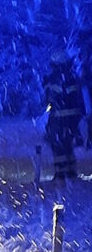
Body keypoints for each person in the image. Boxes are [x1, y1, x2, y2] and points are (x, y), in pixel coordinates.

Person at [44, 50, 84, 181]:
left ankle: (61, 173)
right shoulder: (71, 76)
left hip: (60, 118)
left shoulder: (57, 78)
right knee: (67, 145)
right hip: (71, 118)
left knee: (58, 145)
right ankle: (70, 172)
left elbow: (52, 99)